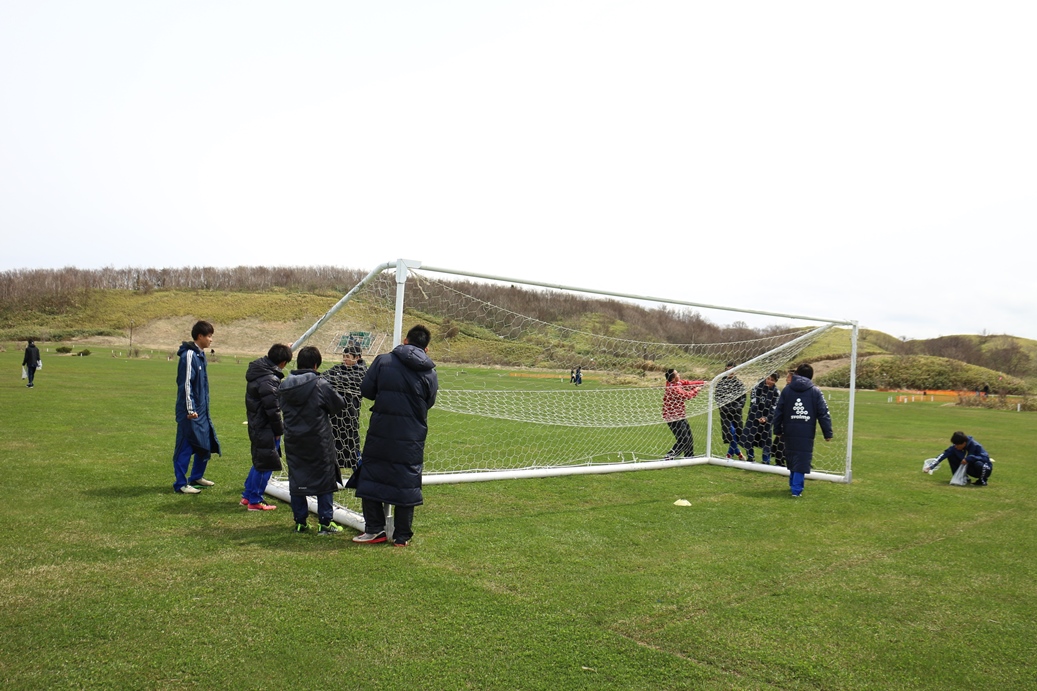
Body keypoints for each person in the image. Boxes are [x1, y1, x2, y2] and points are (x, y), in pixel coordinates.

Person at [353, 324, 438, 547]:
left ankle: (374, 529)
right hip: (412, 434)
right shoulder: (430, 371)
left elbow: (366, 390)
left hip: (382, 429)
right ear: (426, 349)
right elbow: (429, 402)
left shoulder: (383, 361)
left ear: (404, 340)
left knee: (371, 474)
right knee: (407, 480)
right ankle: (402, 536)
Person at [277, 345, 347, 534]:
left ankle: (300, 521)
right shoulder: (319, 384)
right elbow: (338, 404)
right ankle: (325, 522)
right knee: (324, 478)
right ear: (316, 365)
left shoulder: (284, 384)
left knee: (297, 477)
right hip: (318, 438)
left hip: (294, 439)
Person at [240, 343, 293, 511]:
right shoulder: (269, 380)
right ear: (283, 362)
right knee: (266, 463)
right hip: (265, 427)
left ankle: (248, 496)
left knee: (260, 461)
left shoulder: (259, 369)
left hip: (257, 423)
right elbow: (273, 410)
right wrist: (278, 430)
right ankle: (255, 500)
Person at [172, 321, 220, 494]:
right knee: (185, 445)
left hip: (202, 410)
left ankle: (196, 477)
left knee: (205, 443)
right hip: (189, 413)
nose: (211, 340)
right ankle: (180, 483)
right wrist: (190, 409)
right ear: (199, 336)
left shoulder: (200, 355)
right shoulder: (189, 356)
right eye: (208, 336)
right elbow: (186, 385)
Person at [772, 363, 833, 497]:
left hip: (789, 429)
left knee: (792, 456)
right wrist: (827, 433)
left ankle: (793, 484)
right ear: (811, 376)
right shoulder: (815, 391)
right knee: (802, 457)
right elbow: (823, 413)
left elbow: (778, 411)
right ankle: (796, 490)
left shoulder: (787, 390)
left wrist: (777, 429)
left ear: (797, 374)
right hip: (806, 431)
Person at [322, 343, 367, 471]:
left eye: (347, 356)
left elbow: (349, 380)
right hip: (334, 416)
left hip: (350, 416)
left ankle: (360, 474)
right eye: (343, 356)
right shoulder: (338, 368)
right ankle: (331, 476)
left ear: (357, 357)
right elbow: (323, 377)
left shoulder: (362, 372)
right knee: (332, 447)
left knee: (352, 446)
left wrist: (335, 379)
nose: (345, 359)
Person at [662, 369, 704, 459]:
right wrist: (696, 389)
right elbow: (687, 395)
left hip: (680, 415)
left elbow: (687, 383)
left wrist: (702, 382)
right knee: (684, 439)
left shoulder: (677, 383)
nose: (679, 374)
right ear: (673, 379)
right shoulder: (673, 388)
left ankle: (689, 457)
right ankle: (669, 456)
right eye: (677, 374)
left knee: (689, 437)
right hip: (672, 417)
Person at [924, 431, 993, 486]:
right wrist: (930, 467)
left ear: (964, 443)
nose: (956, 447)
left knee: (979, 463)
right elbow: (943, 455)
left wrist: (969, 459)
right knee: (951, 455)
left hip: (982, 468)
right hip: (969, 467)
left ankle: (982, 480)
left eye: (957, 445)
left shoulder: (976, 446)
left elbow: (985, 458)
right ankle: (962, 478)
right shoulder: (955, 447)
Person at [742, 372, 780, 464]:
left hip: (767, 420)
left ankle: (765, 460)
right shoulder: (757, 387)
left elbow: (774, 408)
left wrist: (766, 418)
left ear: (775, 381)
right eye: (768, 378)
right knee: (749, 437)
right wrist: (759, 416)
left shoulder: (777, 392)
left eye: (772, 380)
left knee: (766, 440)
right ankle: (750, 457)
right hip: (754, 417)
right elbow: (754, 403)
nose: (769, 381)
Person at [715, 362, 747, 460]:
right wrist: (724, 407)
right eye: (727, 370)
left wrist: (737, 407)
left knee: (737, 432)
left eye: (732, 370)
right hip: (725, 412)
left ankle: (730, 454)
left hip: (736, 412)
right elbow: (718, 398)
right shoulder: (720, 383)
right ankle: (736, 453)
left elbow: (743, 398)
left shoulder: (739, 384)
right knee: (731, 431)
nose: (730, 372)